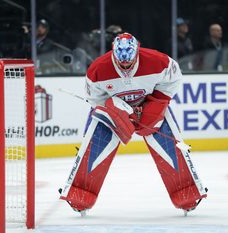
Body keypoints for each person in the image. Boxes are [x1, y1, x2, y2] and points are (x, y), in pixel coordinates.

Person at [59, 33, 207, 216]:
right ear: (114, 53)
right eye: (121, 63)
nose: (126, 67)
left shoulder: (158, 61)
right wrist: (114, 110)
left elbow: (174, 79)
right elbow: (94, 99)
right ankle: (80, 195)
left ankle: (187, 194)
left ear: (137, 51)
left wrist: (155, 104)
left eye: (129, 62)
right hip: (115, 111)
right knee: (94, 142)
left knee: (171, 145)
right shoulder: (98, 69)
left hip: (148, 105)